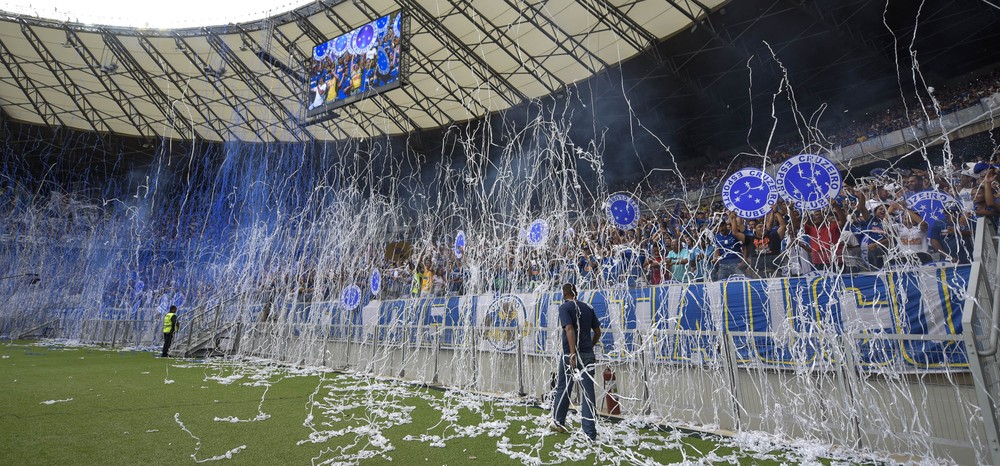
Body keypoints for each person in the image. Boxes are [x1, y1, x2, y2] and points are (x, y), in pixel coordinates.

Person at [550, 283, 601, 441]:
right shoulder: (588, 307)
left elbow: (569, 329)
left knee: (564, 388)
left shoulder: (565, 308)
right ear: (576, 293)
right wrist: (590, 346)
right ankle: (590, 433)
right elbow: (598, 331)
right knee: (588, 393)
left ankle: (558, 422)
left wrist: (572, 353)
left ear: (564, 294)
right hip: (587, 354)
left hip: (570, 355)